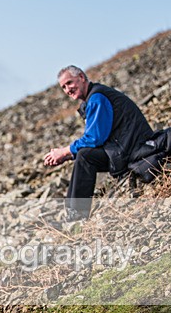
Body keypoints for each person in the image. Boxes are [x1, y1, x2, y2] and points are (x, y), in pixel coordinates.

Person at [44, 65, 154, 219]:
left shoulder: (97, 98)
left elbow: (94, 138)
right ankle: (73, 212)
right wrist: (67, 155)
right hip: (125, 148)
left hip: (133, 150)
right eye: (63, 87)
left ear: (81, 77)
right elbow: (98, 138)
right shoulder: (93, 98)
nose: (68, 89)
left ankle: (76, 215)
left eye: (69, 83)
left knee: (84, 156)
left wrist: (64, 151)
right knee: (83, 155)